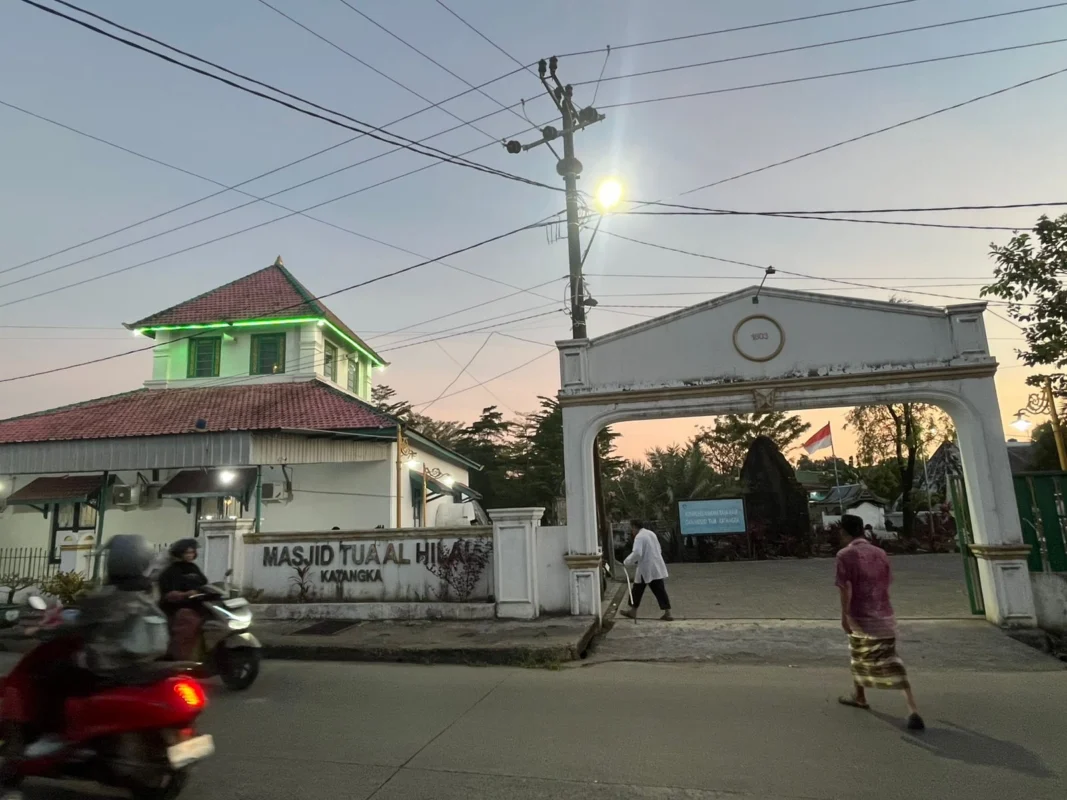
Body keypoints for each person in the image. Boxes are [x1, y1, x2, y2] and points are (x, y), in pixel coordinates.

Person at [26, 534, 170, 758]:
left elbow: (80, 624)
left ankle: (53, 735)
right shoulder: (149, 590)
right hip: (143, 660)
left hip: (108, 662)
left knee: (51, 676)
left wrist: (43, 630)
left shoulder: (109, 595)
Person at [835, 514, 924, 731]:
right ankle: (911, 707)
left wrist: (844, 616)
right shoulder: (880, 553)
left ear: (844, 532)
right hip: (884, 614)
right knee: (892, 659)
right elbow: (886, 584)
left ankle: (861, 697)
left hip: (860, 616)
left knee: (858, 655)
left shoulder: (844, 555)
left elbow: (845, 589)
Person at [157, 539, 209, 661]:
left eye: (192, 552)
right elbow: (168, 594)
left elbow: (204, 584)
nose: (190, 555)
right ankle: (182, 657)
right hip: (177, 607)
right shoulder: (171, 571)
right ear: (180, 553)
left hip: (196, 605)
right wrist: (185, 594)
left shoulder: (194, 568)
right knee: (188, 621)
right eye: (187, 553)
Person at [620, 520, 673, 621]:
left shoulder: (639, 537)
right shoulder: (651, 533)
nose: (632, 531)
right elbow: (659, 548)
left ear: (634, 527)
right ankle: (668, 612)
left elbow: (637, 553)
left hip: (645, 568)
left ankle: (633, 611)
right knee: (659, 590)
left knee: (637, 590)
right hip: (655, 566)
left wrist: (626, 562)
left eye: (632, 529)